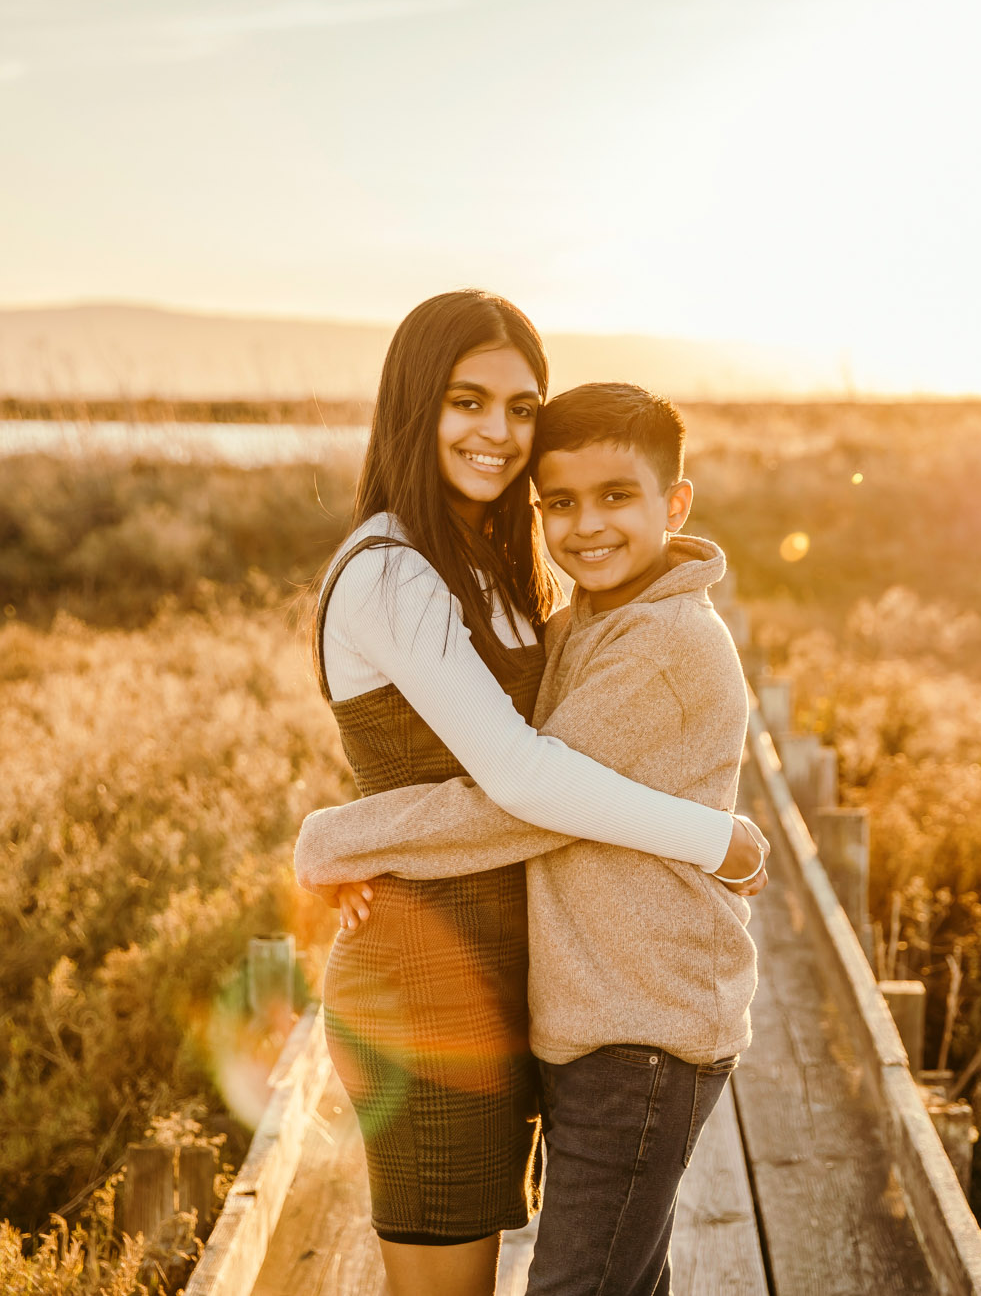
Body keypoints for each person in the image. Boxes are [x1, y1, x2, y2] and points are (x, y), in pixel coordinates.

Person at [305, 295, 768, 1296]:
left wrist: (363, 838)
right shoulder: (390, 574)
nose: (498, 433)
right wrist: (710, 836)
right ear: (413, 406)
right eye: (466, 401)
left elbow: (500, 766)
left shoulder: (496, 568)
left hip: (528, 985)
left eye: (520, 406)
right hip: (426, 984)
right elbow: (518, 779)